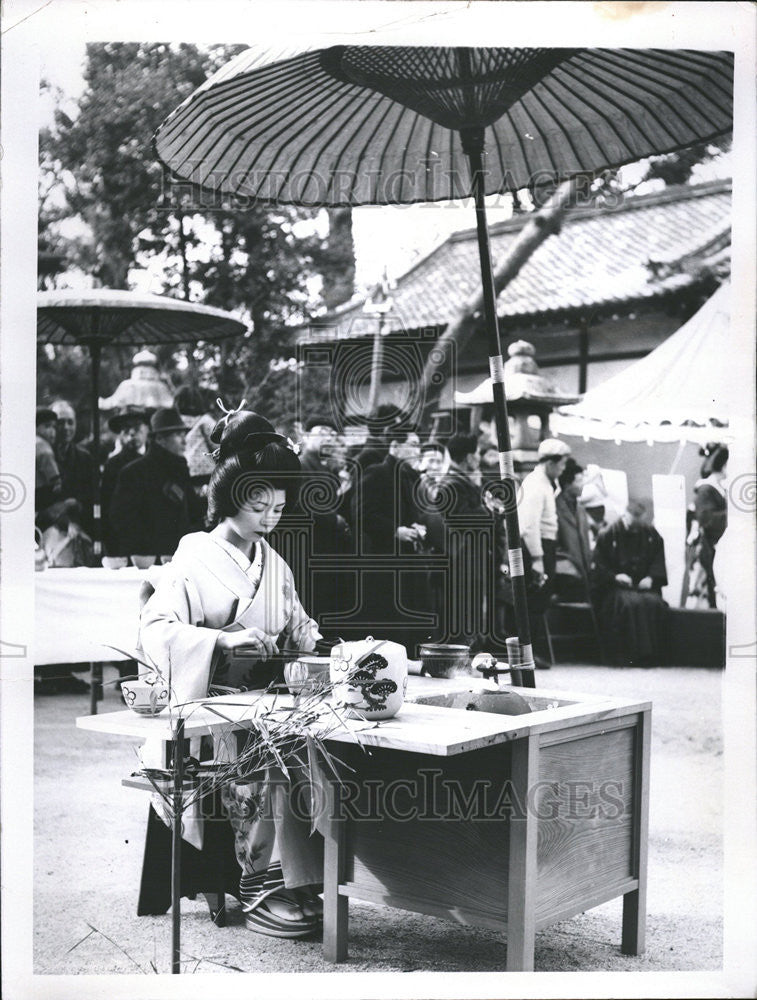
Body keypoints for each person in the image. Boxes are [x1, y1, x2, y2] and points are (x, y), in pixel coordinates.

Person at [139, 408, 324, 938]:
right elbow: (155, 632)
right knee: (263, 759)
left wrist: (316, 644)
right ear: (229, 499)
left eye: (279, 508)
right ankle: (258, 886)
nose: (270, 517)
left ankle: (303, 881)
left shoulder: (276, 563)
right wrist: (221, 640)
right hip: (209, 711)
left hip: (266, 706)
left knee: (313, 747)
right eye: (258, 504)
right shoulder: (192, 558)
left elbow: (299, 627)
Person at [351, 426, 428, 654]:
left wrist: (414, 526)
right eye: (413, 445)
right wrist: (395, 531)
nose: (418, 450)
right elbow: (361, 513)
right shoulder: (377, 472)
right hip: (382, 558)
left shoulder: (406, 476)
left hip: (404, 559)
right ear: (395, 446)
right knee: (387, 620)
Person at [109, 406, 205, 559]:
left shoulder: (180, 469)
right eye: (178, 434)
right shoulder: (134, 473)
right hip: (146, 561)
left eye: (184, 434)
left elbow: (193, 513)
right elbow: (122, 521)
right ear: (160, 439)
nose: (184, 441)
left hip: (178, 557)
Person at [591, 499, 668, 665]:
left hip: (643, 586)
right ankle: (629, 656)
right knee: (628, 604)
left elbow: (657, 560)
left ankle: (652, 657)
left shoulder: (650, 534)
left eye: (639, 523)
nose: (636, 528)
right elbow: (598, 567)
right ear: (625, 516)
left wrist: (651, 578)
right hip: (615, 588)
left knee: (655, 603)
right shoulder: (608, 534)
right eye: (633, 523)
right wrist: (615, 577)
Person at [518, 438, 572, 591]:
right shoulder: (536, 485)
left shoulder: (545, 484)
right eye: (562, 464)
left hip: (545, 546)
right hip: (537, 548)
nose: (563, 469)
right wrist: (537, 559)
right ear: (550, 463)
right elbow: (530, 525)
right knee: (537, 599)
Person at [100, 406, 150, 556]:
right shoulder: (113, 464)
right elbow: (106, 506)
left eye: (136, 427)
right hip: (124, 540)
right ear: (120, 434)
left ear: (147, 429)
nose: (132, 433)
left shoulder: (157, 459)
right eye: (126, 429)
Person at [684, 443, 729, 609]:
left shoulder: (718, 489)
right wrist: (732, 515)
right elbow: (707, 519)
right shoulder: (706, 489)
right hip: (708, 548)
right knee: (710, 593)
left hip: (717, 547)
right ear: (724, 465)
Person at [50, 399, 95, 532]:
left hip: (78, 527)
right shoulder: (42, 457)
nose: (66, 428)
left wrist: (75, 503)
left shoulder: (85, 458)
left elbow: (91, 497)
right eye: (60, 423)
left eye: (70, 422)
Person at [554, 457, 593, 602]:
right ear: (567, 484)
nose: (583, 485)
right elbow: (554, 548)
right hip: (566, 578)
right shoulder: (554, 509)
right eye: (579, 481)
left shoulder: (581, 510)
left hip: (584, 575)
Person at [35, 406, 62, 525]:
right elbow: (55, 481)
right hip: (41, 499)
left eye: (54, 427)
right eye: (47, 426)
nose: (52, 431)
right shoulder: (43, 447)